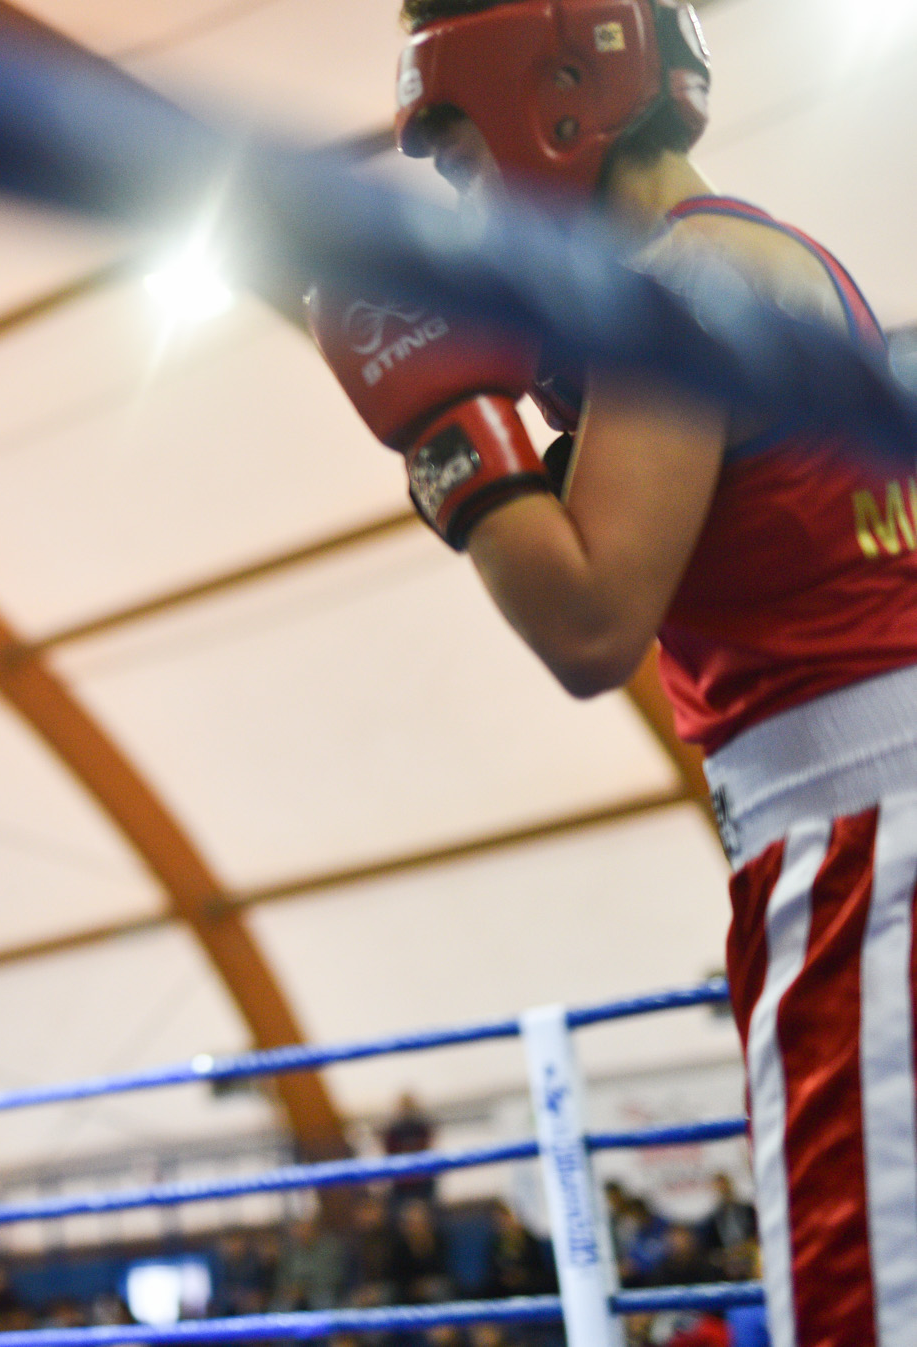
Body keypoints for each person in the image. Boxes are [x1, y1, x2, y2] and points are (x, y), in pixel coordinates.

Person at [306, 4, 917, 1345]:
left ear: (557, 94)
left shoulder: (681, 290)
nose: (469, 206)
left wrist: (438, 421)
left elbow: (588, 619)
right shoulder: (767, 259)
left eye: (462, 163)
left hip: (865, 856)